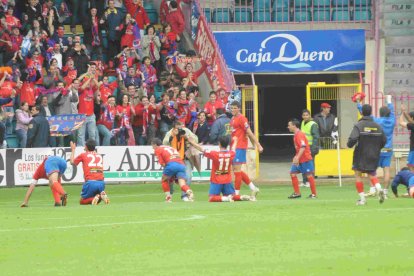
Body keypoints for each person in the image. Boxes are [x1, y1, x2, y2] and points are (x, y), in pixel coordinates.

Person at [188, 136, 251, 202]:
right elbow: (233, 149)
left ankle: (226, 198)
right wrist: (235, 141)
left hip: (216, 180)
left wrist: (192, 142)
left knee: (212, 198)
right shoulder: (231, 154)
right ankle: (242, 197)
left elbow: (201, 149)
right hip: (227, 180)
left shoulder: (215, 154)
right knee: (233, 196)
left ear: (219, 144)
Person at [356, 95, 395, 199]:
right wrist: (389, 101)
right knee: (386, 171)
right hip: (389, 149)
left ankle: (373, 189)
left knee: (371, 170)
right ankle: (385, 192)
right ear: (389, 114)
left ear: (380, 113)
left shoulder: (377, 121)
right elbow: (392, 111)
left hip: (377, 149)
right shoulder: (392, 120)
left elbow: (364, 114)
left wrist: (358, 103)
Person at [347, 104, 386, 206]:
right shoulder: (378, 126)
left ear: (361, 112)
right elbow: (384, 140)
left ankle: (362, 199)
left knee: (358, 175)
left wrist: (349, 145)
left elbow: (353, 139)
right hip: (374, 154)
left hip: (360, 154)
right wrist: (376, 148)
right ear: (371, 112)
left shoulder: (359, 125)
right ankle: (379, 188)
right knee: (371, 173)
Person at [230, 101, 262, 200]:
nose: (233, 110)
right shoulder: (233, 119)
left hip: (240, 146)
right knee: (236, 170)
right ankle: (253, 187)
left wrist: (258, 144)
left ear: (239, 108)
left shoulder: (242, 118)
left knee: (237, 171)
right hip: (234, 146)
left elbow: (249, 132)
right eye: (232, 108)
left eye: (235, 108)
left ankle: (236, 193)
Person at [163, 120, 198, 200]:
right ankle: (170, 194)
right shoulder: (169, 133)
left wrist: (187, 137)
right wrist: (172, 136)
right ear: (173, 128)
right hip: (172, 160)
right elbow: (164, 143)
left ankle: (184, 195)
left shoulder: (185, 131)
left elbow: (196, 139)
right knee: (168, 179)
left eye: (180, 127)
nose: (179, 130)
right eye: (177, 128)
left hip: (184, 159)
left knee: (188, 177)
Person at [151, 138, 194, 202]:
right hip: (181, 165)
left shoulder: (158, 149)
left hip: (171, 164)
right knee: (182, 183)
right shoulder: (170, 147)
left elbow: (162, 163)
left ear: (155, 145)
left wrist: (169, 173)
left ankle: (168, 198)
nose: (152, 148)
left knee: (164, 180)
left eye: (152, 146)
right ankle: (188, 191)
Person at [70, 139, 110, 205]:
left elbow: (72, 162)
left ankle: (99, 196)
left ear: (86, 146)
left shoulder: (83, 155)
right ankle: (101, 195)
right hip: (101, 183)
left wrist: (73, 149)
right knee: (96, 200)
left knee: (82, 201)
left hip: (90, 182)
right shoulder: (99, 155)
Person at [287, 118, 317, 199]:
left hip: (305, 159)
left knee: (309, 175)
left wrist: (297, 157)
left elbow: (303, 147)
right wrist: (296, 156)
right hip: (300, 159)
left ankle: (314, 194)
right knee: (292, 173)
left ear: (294, 125)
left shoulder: (299, 134)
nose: (288, 127)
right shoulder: (296, 135)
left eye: (289, 125)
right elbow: (299, 148)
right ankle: (297, 193)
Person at [300, 109, 319, 187]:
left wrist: (314, 148)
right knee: (303, 164)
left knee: (310, 164)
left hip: (311, 147)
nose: (305, 116)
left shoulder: (313, 124)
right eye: (304, 115)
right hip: (303, 147)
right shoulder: (302, 123)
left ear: (310, 115)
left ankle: (310, 181)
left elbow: (316, 137)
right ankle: (304, 181)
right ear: (302, 116)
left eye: (307, 115)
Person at [398, 104, 414, 170]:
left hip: (413, 150)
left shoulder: (412, 126)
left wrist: (403, 112)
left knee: (411, 166)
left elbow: (401, 122)